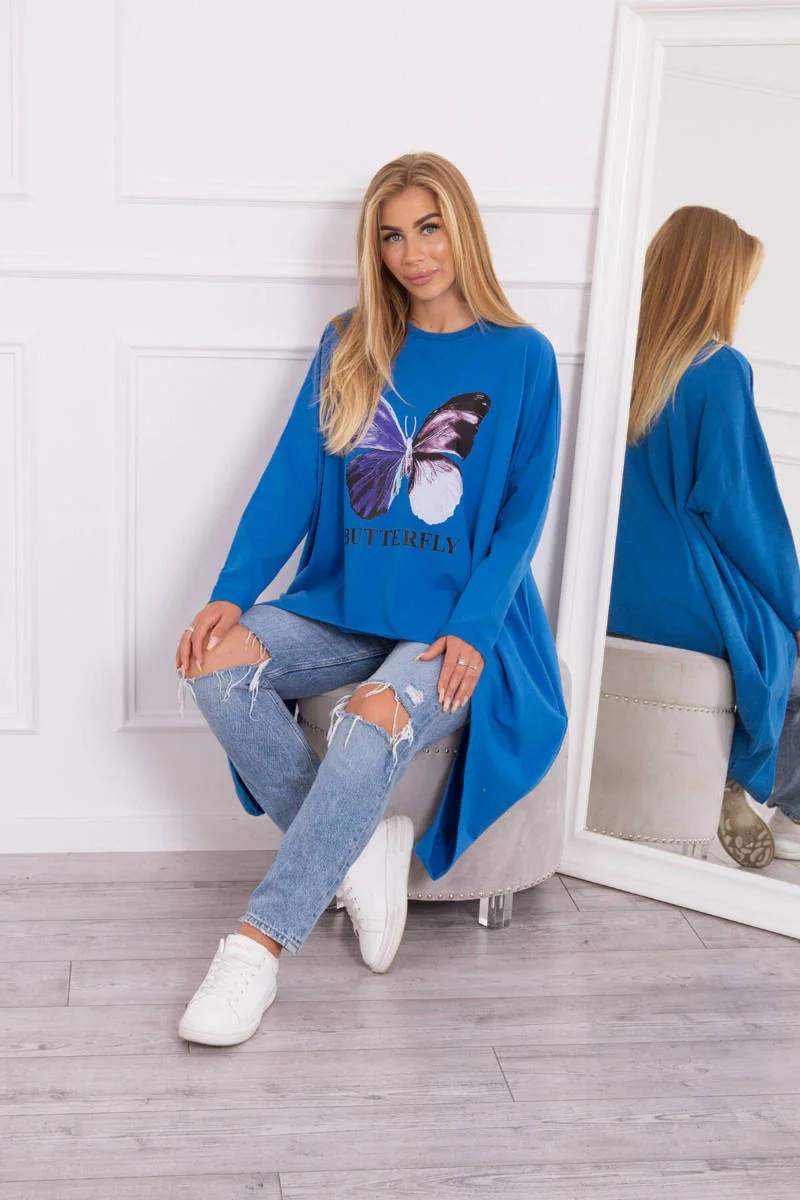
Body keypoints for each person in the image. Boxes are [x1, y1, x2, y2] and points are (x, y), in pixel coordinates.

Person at [173, 151, 568, 1047]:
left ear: (462, 228)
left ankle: (257, 948)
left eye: (429, 228)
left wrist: (474, 627)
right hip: (345, 606)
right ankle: (360, 852)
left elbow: (522, 515)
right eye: (392, 236)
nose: (412, 253)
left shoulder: (523, 356)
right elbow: (289, 481)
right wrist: (230, 596)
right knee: (215, 668)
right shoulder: (351, 342)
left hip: (457, 622)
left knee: (370, 721)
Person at [607, 205, 800, 870]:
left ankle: (740, 778)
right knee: (789, 655)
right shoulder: (719, 368)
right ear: (715, 282)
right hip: (683, 593)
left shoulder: (612, 358)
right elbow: (741, 511)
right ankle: (774, 798)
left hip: (607, 587)